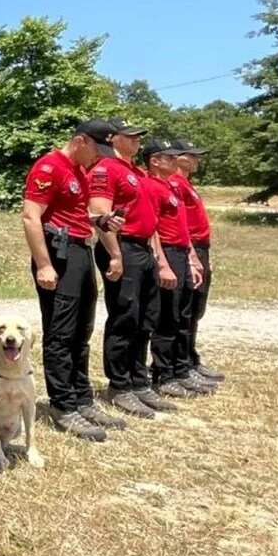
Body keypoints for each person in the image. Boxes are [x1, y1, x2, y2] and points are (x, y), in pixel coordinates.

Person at [20, 120, 114, 442]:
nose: (100, 158)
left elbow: (73, 212)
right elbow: (31, 216)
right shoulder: (50, 167)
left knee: (81, 332)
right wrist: (44, 265)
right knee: (61, 333)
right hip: (60, 256)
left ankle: (81, 398)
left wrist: (100, 220)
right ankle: (63, 406)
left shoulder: (79, 171)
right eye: (98, 150)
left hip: (81, 250)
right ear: (80, 140)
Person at [87, 122, 177, 420]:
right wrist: (115, 254)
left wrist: (156, 255)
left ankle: (139, 381)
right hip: (123, 247)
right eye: (131, 136)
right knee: (125, 317)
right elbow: (101, 214)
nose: (138, 140)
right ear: (114, 139)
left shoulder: (136, 171)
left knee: (146, 318)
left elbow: (150, 216)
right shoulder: (106, 168)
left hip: (144, 248)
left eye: (140, 136)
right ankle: (120, 385)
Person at [140, 137, 212, 399]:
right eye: (169, 157)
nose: (175, 160)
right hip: (167, 252)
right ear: (155, 161)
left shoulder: (168, 186)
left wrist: (192, 256)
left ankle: (178, 369)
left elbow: (182, 227)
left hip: (181, 251)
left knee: (181, 313)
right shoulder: (154, 186)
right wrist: (163, 263)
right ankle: (163, 374)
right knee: (167, 317)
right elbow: (154, 227)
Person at [171, 140, 225, 385]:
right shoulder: (174, 183)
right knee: (185, 308)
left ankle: (190, 357)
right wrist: (191, 253)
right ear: (179, 158)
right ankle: (180, 362)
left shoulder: (186, 183)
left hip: (199, 247)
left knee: (195, 307)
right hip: (187, 246)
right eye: (191, 155)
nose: (196, 160)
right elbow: (179, 222)